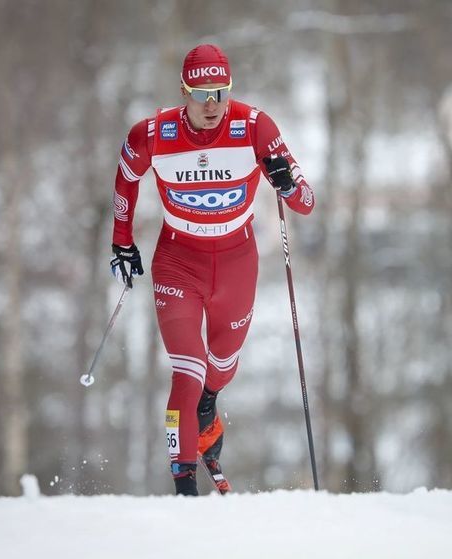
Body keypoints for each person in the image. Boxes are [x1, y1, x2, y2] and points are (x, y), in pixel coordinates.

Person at [109, 44, 314, 496]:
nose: (211, 104)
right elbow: (126, 176)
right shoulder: (153, 133)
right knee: (189, 368)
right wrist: (121, 241)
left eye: (220, 92)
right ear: (183, 90)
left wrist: (287, 184)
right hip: (178, 262)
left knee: (221, 367)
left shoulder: (255, 126)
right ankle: (184, 488)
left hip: (237, 261)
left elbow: (307, 202)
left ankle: (208, 404)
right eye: (201, 92)